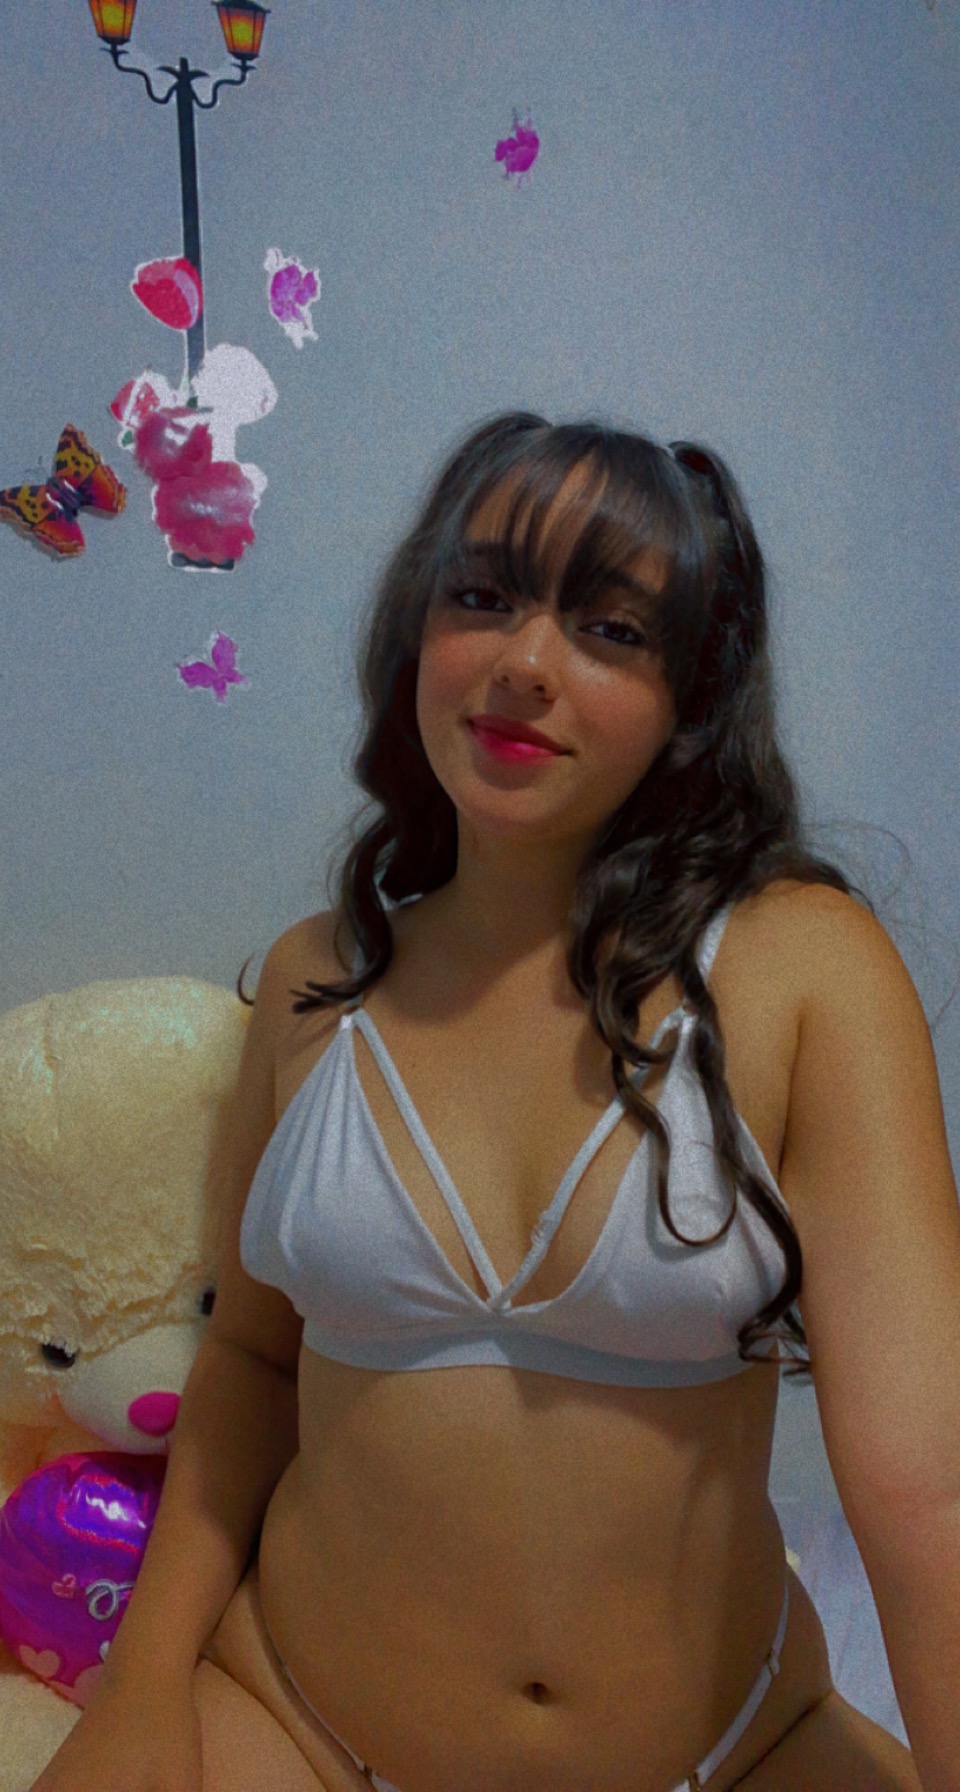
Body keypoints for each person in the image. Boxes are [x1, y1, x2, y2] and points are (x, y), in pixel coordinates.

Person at [34, 413, 959, 1792]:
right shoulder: (314, 983)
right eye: (482, 597)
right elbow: (253, 1364)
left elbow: (927, 1495)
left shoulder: (803, 970)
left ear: (692, 698)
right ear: (417, 632)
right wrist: (146, 1683)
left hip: (732, 1747)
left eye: (612, 630)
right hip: (298, 1724)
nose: (526, 663)